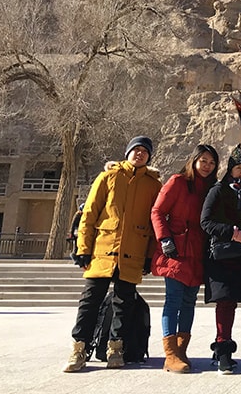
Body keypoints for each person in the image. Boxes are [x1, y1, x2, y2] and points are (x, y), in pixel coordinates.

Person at [63, 135, 162, 372]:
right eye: (136, 150)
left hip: (133, 252)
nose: (140, 154)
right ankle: (80, 347)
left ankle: (116, 348)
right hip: (102, 250)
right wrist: (83, 249)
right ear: (128, 152)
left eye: (145, 152)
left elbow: (153, 224)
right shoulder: (108, 177)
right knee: (90, 301)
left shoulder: (153, 184)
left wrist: (149, 256)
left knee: (124, 302)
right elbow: (89, 214)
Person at [150, 144, 219, 373]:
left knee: (189, 302)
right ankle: (170, 354)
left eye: (211, 162)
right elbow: (157, 211)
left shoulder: (211, 188)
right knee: (173, 300)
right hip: (176, 248)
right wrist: (164, 239)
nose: (207, 166)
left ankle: (181, 350)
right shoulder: (178, 182)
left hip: (198, 250)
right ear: (194, 160)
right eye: (204, 161)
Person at [200, 144, 241, 374]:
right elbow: (205, 222)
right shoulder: (219, 190)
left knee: (231, 303)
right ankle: (223, 350)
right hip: (221, 256)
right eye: (238, 168)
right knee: (224, 302)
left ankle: (222, 348)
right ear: (230, 170)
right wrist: (234, 233)